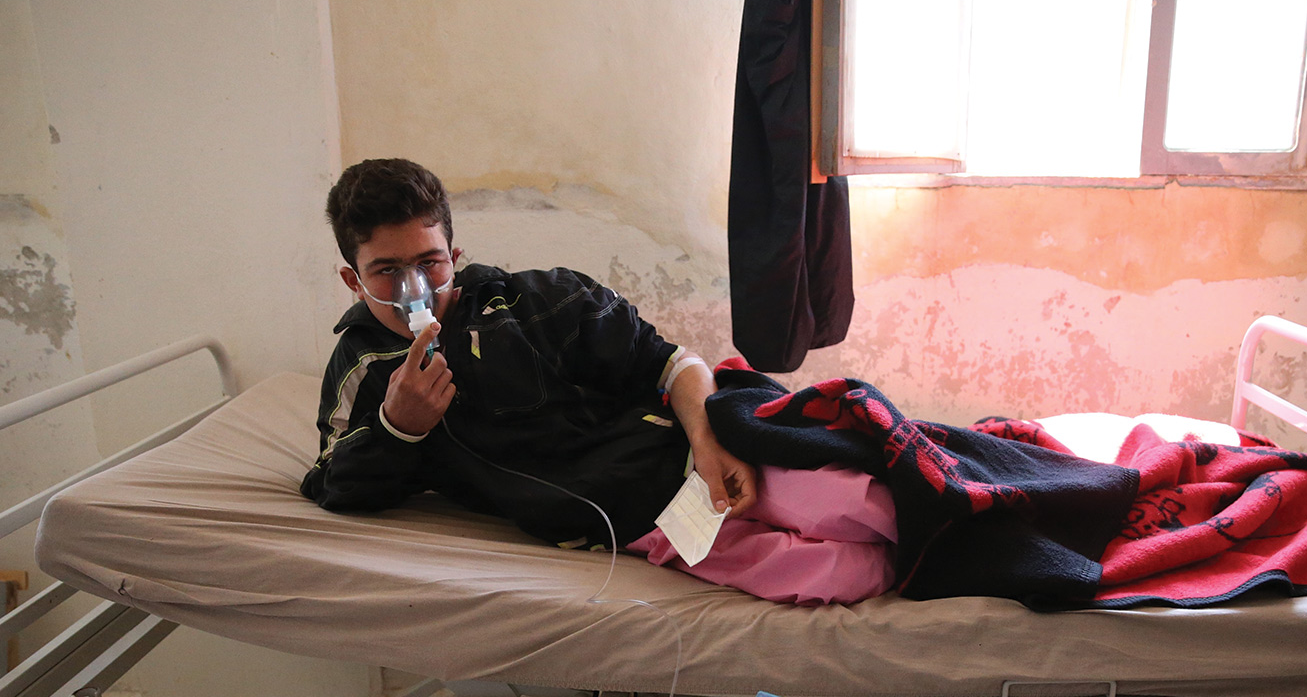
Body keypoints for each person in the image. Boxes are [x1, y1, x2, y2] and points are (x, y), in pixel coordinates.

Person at [301, 158, 896, 604]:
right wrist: (397, 428)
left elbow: (675, 363)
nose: (415, 289)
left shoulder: (540, 303)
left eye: (429, 263)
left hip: (697, 456)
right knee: (849, 574)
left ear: (455, 253)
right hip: (642, 523)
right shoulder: (362, 369)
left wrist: (709, 445)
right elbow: (335, 484)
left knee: (870, 504)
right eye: (386, 272)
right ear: (353, 281)